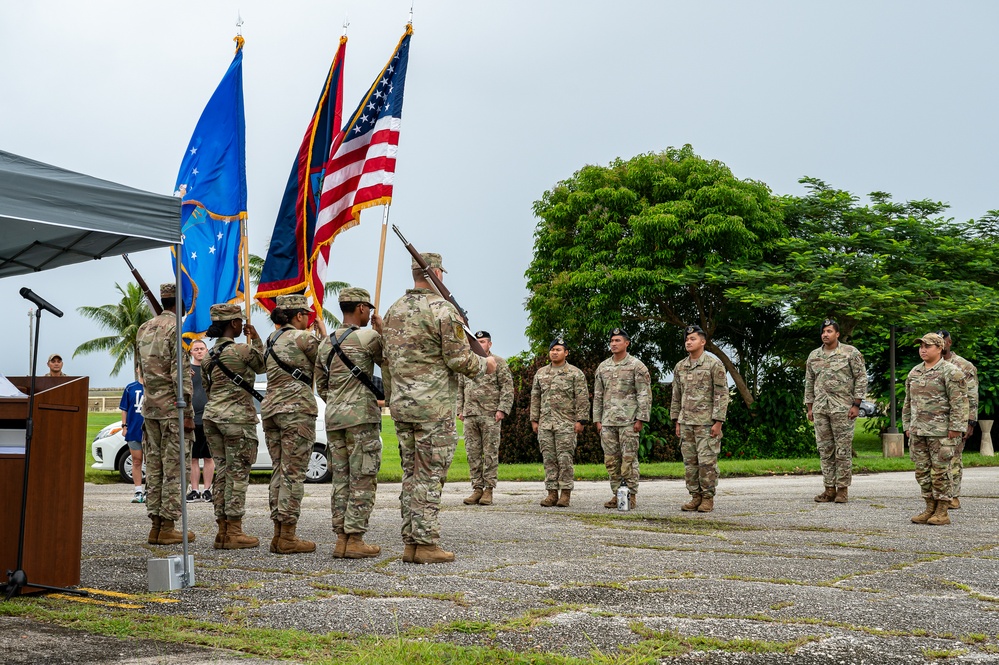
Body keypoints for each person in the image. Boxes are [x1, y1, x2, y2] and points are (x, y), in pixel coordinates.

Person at [382, 252, 497, 565]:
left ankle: (411, 543)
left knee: (411, 475)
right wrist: (485, 365)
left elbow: (387, 360)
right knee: (430, 477)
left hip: (403, 407)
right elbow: (459, 359)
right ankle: (427, 543)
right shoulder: (443, 310)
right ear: (434, 273)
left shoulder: (394, 310)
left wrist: (394, 397)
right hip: (432, 409)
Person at [317, 287, 386, 559]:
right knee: (363, 477)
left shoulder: (325, 343)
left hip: (334, 417)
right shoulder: (367, 336)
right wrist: (383, 332)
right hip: (361, 417)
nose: (370, 313)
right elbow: (389, 360)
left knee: (341, 479)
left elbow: (321, 385)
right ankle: (355, 539)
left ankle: (341, 539)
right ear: (360, 308)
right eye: (368, 308)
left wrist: (338, 400)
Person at [261, 294, 322, 554]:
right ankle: (287, 536)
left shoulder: (271, 339)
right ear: (299, 316)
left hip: (271, 409)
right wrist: (323, 333)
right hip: (296, 410)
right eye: (307, 315)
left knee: (278, 469)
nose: (309, 319)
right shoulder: (304, 338)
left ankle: (278, 533)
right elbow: (329, 359)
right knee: (294, 472)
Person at [202, 303, 266, 549]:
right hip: (237, 419)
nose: (241, 325)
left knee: (222, 472)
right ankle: (235, 530)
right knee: (238, 474)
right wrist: (256, 339)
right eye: (240, 321)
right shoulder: (241, 350)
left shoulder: (209, 355)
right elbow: (262, 365)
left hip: (213, 416)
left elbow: (208, 389)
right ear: (234, 324)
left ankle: (222, 528)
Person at [136, 283, 195, 545]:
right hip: (173, 409)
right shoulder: (176, 329)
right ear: (180, 305)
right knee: (175, 468)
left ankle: (156, 526)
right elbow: (179, 374)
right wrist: (188, 410)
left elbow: (140, 372)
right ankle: (169, 526)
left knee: (156, 467)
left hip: (150, 409)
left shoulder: (143, 328)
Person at [903, 332, 969, 526]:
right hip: (919, 431)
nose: (923, 349)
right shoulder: (914, 372)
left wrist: (956, 428)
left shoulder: (951, 372)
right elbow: (908, 403)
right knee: (922, 472)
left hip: (942, 433)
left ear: (940, 348)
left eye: (928, 346)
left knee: (940, 472)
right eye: (921, 346)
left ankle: (942, 510)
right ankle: (929, 507)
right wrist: (907, 426)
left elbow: (959, 403)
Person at [804, 319, 868, 504]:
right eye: (823, 331)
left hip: (843, 409)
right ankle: (829, 489)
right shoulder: (814, 355)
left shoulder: (850, 353)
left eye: (829, 331)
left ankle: (842, 490)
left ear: (837, 334)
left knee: (842, 450)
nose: (825, 334)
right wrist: (810, 407)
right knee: (825, 450)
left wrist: (857, 404)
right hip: (821, 409)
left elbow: (861, 377)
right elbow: (809, 382)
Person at [671, 324, 730, 513]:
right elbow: (676, 395)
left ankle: (707, 498)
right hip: (686, 421)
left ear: (703, 342)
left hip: (706, 423)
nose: (689, 342)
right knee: (690, 463)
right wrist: (676, 420)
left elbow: (721, 394)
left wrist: (718, 421)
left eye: (693, 339)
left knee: (707, 463)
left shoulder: (714, 365)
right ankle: (695, 496)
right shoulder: (680, 366)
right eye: (687, 339)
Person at [593, 328, 651, 510]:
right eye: (612, 340)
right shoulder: (603, 367)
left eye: (618, 340)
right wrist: (597, 419)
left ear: (627, 343)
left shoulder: (637, 366)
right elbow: (598, 395)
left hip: (629, 421)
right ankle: (617, 493)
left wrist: (641, 418)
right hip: (608, 422)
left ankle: (630, 495)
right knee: (611, 461)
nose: (614, 343)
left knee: (628, 460)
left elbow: (644, 394)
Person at [530, 338, 590, 509]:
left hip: (566, 424)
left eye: (558, 349)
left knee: (564, 459)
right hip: (545, 424)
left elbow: (582, 399)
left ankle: (565, 493)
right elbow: (535, 398)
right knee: (549, 459)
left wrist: (581, 420)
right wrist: (534, 420)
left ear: (566, 353)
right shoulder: (541, 373)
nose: (554, 352)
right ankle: (551, 493)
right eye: (552, 349)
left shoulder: (574, 373)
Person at [457, 330, 514, 507]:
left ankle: (489, 489)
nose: (479, 344)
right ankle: (477, 488)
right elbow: (459, 387)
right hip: (470, 414)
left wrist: (502, 410)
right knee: (472, 453)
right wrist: (460, 409)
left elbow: (507, 387)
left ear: (489, 344)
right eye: (477, 341)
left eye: (482, 342)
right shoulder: (467, 363)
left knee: (490, 453)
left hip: (491, 415)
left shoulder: (498, 362)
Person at [937, 329, 979, 509]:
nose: (940, 344)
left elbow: (972, 396)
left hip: (957, 420)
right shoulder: (930, 365)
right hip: (934, 421)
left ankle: (953, 496)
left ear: (949, 343)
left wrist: (970, 422)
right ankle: (939, 494)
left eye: (942, 341)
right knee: (936, 459)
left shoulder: (964, 366)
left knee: (954, 457)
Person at [187, 339, 214, 503]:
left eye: (201, 349)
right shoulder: (187, 371)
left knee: (209, 457)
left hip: (209, 419)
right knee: (193, 457)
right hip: (192, 420)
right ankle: (195, 489)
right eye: (195, 349)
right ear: (191, 352)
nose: (198, 351)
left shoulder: (211, 370)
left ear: (206, 350)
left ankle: (207, 490)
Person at [119, 366, 145, 503]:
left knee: (152, 463)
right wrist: (124, 426)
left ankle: (150, 491)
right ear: (137, 369)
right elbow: (124, 409)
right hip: (134, 430)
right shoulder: (131, 388)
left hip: (150, 431)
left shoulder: (154, 387)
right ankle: (138, 491)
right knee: (136, 461)